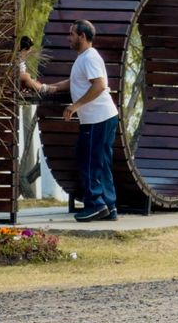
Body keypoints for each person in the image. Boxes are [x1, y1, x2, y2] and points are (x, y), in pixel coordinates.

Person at [40, 20, 121, 222]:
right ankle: (109, 206)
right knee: (101, 162)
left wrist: (75, 106)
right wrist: (53, 87)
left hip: (97, 119)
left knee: (89, 162)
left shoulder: (89, 58)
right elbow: (75, 81)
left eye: (72, 34)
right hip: (103, 117)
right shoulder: (84, 58)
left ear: (82, 36)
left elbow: (100, 85)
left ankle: (95, 205)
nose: (69, 37)